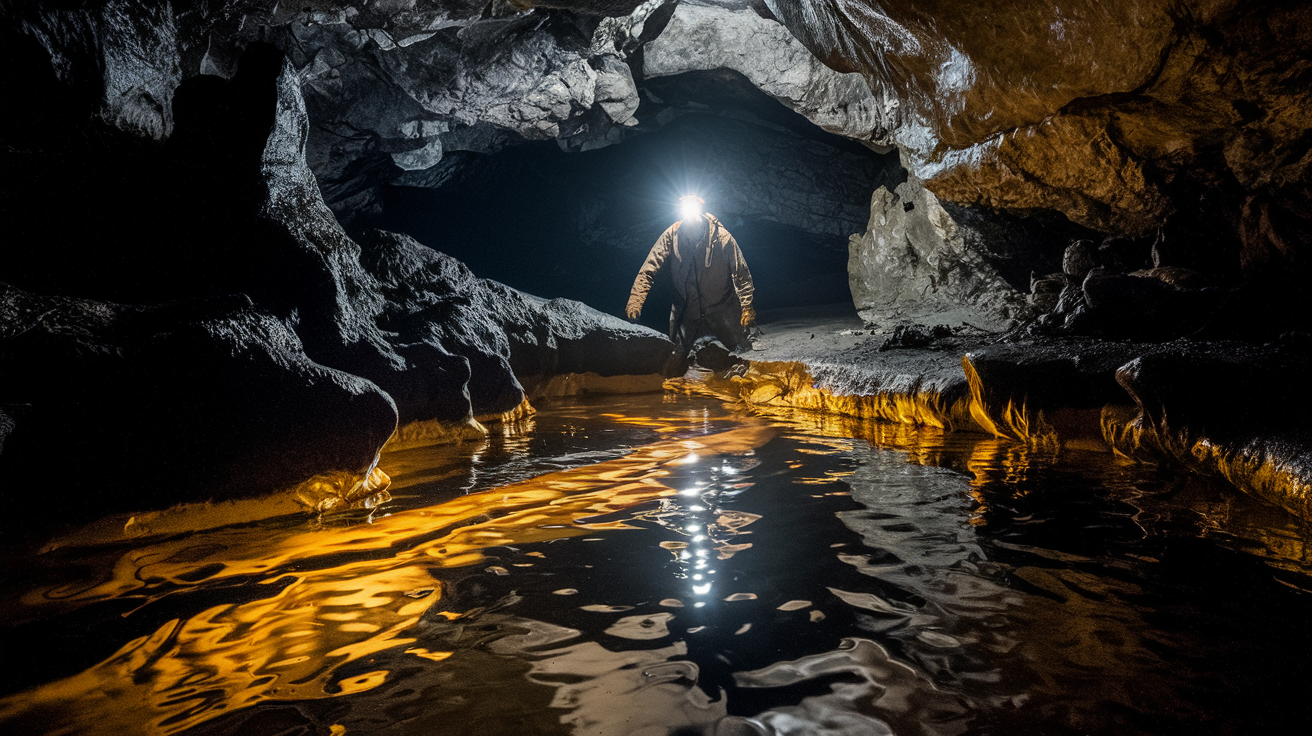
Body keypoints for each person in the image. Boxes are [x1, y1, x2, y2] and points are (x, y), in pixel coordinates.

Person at [626, 195, 758, 353]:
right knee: (679, 364)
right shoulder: (672, 235)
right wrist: (635, 301)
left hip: (722, 310)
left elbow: (741, 274)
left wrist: (747, 307)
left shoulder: (721, 237)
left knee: (739, 357)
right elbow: (648, 269)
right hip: (686, 313)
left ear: (700, 209)